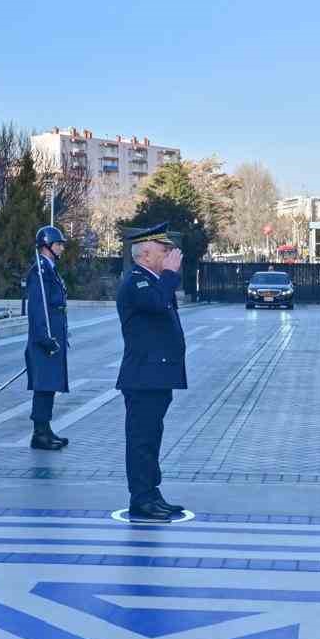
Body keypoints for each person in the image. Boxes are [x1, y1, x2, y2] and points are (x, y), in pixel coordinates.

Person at [117, 223, 188, 522]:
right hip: (143, 378)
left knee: (152, 438)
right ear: (145, 254)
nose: (170, 255)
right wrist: (170, 274)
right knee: (141, 441)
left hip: (155, 377)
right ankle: (141, 499)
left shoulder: (152, 279)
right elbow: (158, 304)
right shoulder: (137, 282)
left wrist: (168, 274)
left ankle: (151, 493)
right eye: (164, 250)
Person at [25, 225, 70, 450]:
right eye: (58, 244)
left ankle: (46, 429)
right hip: (45, 340)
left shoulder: (50, 269)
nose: (62, 247)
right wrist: (45, 338)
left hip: (53, 337)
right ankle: (39, 434)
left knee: (49, 385)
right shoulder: (39, 272)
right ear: (47, 246)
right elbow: (37, 309)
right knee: (43, 386)